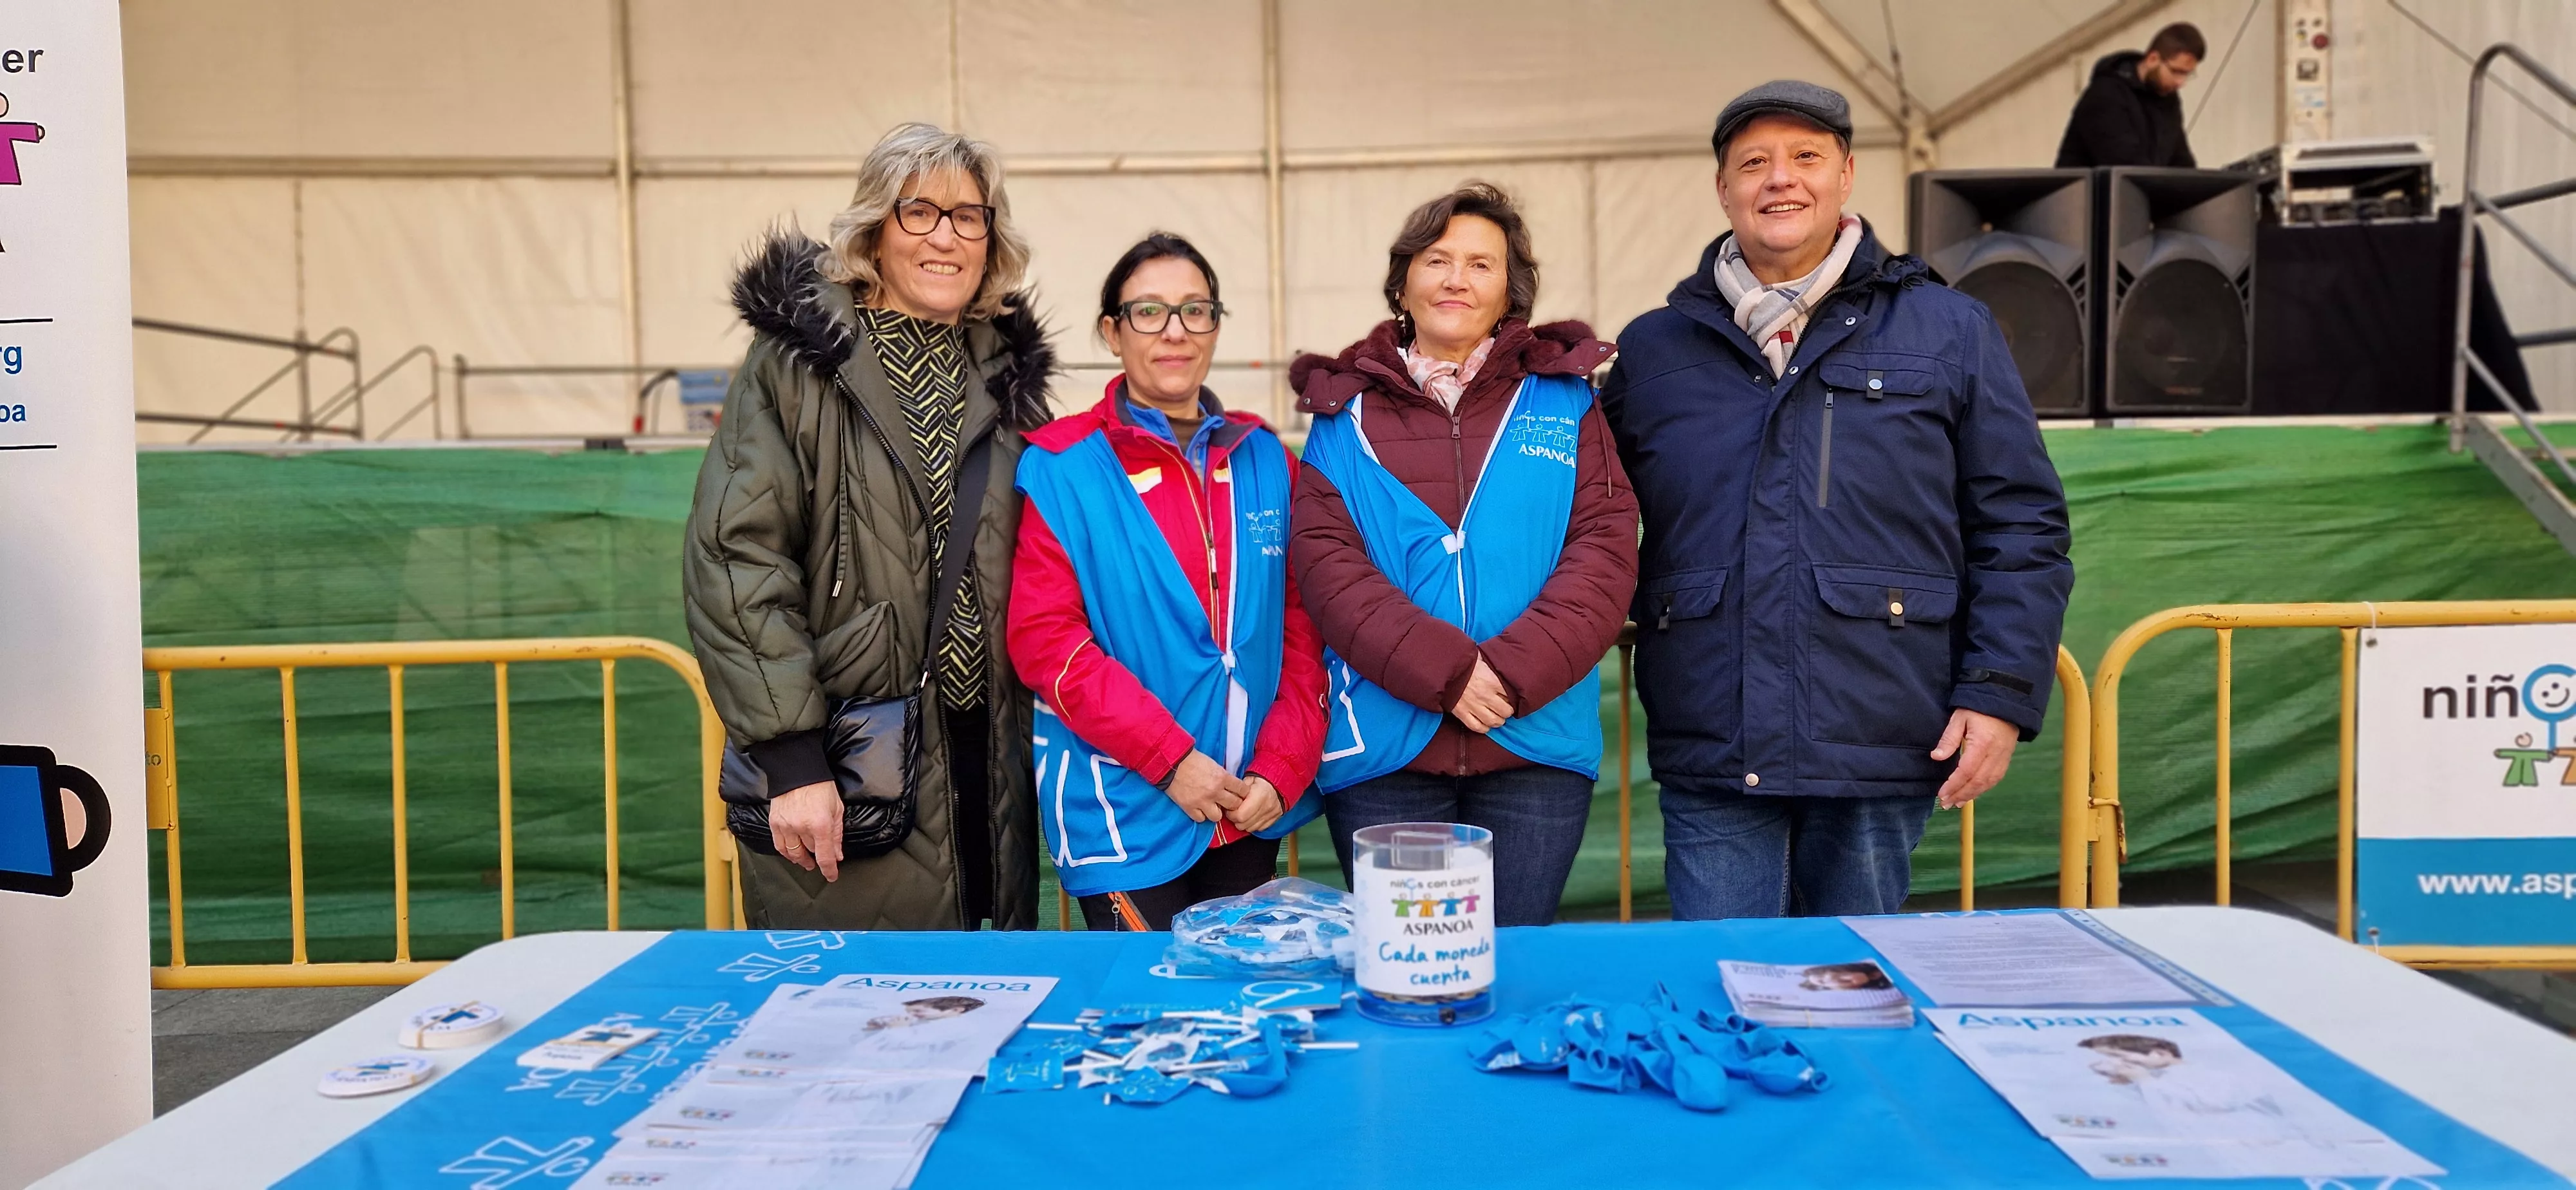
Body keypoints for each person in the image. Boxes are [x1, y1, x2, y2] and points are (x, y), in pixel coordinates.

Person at [1602, 81, 2073, 920]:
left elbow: (2021, 524)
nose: (1780, 178)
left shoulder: (1949, 328)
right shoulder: (1653, 350)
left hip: (1881, 734)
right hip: (1714, 740)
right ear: (1723, 188)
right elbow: (1584, 519)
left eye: (1806, 157)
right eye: (1754, 163)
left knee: (1855, 977)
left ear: (1847, 175)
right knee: (1722, 976)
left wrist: (1998, 692)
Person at [685, 122, 1057, 930]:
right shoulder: (798, 364)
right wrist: (791, 760)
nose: (945, 238)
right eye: (919, 212)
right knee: (861, 995)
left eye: (969, 216)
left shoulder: (1006, 374)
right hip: (849, 752)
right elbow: (736, 557)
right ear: (874, 230)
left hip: (989, 749)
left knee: (985, 983)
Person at [1291, 182, 1638, 928]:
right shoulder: (1342, 416)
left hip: (1533, 745)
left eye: (1481, 264)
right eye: (1437, 260)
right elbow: (1327, 566)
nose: (1457, 279)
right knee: (1406, 965)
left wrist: (1509, 674)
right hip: (1389, 754)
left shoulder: (1566, 402)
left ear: (1510, 290)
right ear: (1402, 283)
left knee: (1512, 965)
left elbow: (1604, 551)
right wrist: (1444, 672)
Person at [1007, 232, 1327, 931]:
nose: (1175, 331)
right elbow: (1046, 642)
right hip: (1126, 808)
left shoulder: (1265, 457)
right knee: (1150, 993)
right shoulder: (1062, 467)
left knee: (1240, 988)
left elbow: (1303, 629)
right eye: (1148, 312)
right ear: (1111, 332)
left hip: (1248, 802)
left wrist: (1284, 764)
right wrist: (1170, 760)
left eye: (1195, 310)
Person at [2054, 23, 2204, 169]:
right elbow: (2125, 165)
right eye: (2176, 72)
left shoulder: (2168, 99)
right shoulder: (2105, 94)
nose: (2181, 83)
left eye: (2187, 74)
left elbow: (2181, 161)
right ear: (2153, 59)